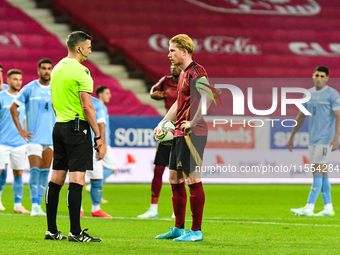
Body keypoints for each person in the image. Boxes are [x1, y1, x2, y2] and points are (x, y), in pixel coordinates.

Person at [45, 31, 103, 242]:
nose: (90, 50)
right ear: (79, 48)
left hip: (59, 125)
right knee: (77, 179)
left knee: (56, 179)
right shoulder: (81, 71)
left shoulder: (57, 68)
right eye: (88, 46)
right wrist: (98, 134)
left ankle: (51, 230)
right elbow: (87, 107)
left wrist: (63, 118)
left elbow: (53, 101)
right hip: (77, 128)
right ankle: (76, 232)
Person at [155, 34, 214, 242]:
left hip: (193, 132)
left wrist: (193, 122)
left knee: (192, 178)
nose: (168, 54)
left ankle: (196, 231)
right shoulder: (182, 74)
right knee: (174, 178)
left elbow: (207, 98)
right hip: (179, 131)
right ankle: (178, 228)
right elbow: (177, 104)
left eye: (172, 50)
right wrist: (163, 122)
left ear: (184, 51)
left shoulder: (197, 71)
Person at [289, 66, 340, 217]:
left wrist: (336, 137)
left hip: (325, 139)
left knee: (317, 171)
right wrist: (292, 135)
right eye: (317, 75)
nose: (319, 78)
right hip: (313, 139)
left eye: (322, 76)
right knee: (322, 173)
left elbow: (339, 116)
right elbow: (301, 116)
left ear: (326, 78)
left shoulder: (332, 94)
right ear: (313, 76)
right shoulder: (308, 94)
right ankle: (328, 207)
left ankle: (309, 206)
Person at [10, 58, 55, 217]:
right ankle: (34, 205)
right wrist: (21, 131)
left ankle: (38, 206)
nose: (47, 71)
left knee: (44, 172)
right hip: (34, 138)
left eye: (49, 68)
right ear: (38, 70)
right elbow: (13, 108)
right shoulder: (29, 89)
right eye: (44, 68)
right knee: (35, 170)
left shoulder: (56, 89)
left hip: (51, 138)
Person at [138, 64, 181, 218]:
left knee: (179, 172)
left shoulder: (187, 82)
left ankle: (177, 211)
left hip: (182, 130)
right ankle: (153, 209)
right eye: (171, 66)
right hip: (168, 129)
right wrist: (155, 94)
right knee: (158, 169)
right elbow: (153, 92)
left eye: (176, 66)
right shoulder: (165, 81)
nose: (173, 68)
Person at [0, 69, 30, 214]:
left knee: (18, 173)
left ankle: (18, 204)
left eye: (20, 79)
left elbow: (24, 120)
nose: (18, 82)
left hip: (19, 143)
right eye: (15, 79)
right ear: (8, 80)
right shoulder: (1, 96)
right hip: (2, 142)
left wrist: (26, 140)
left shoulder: (23, 98)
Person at [81, 95, 112, 218]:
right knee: (77, 179)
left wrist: (102, 144)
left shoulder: (96, 103)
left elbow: (101, 124)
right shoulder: (71, 99)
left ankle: (96, 209)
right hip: (77, 144)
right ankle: (78, 209)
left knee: (97, 179)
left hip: (93, 145)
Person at [86, 86, 116, 204]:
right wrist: (103, 143)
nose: (110, 95)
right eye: (107, 93)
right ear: (101, 94)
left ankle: (94, 189)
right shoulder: (99, 106)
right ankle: (93, 187)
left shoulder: (103, 107)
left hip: (103, 142)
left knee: (107, 168)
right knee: (110, 168)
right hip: (102, 143)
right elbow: (101, 125)